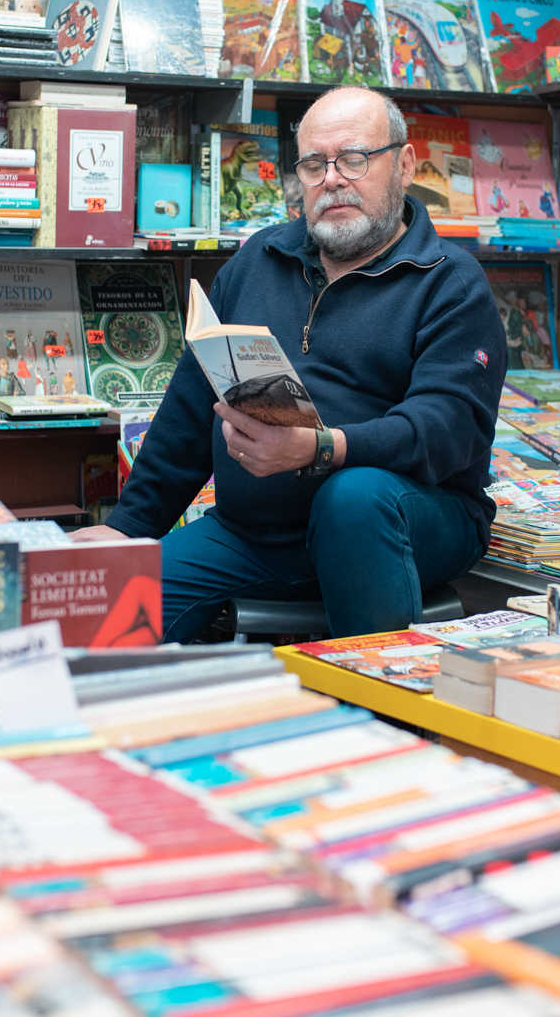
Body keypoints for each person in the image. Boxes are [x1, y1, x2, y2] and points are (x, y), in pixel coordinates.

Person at [74, 87, 507, 641]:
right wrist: (128, 528)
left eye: (354, 159)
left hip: (409, 520)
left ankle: (375, 685)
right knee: (99, 622)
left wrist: (323, 449)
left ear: (404, 165)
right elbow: (188, 411)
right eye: (314, 164)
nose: (332, 179)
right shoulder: (259, 260)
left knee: (353, 498)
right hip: (253, 535)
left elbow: (447, 429)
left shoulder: (450, 281)